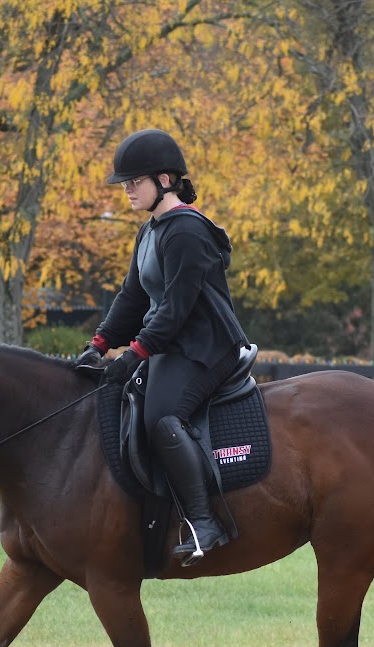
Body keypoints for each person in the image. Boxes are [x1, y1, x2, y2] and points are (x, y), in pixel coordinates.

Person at [78, 128, 247, 566]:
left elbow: (176, 308)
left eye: (135, 181)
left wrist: (135, 352)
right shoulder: (149, 232)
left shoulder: (186, 231)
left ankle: (204, 522)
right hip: (173, 345)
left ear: (166, 180)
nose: (128, 190)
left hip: (207, 347)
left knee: (160, 417)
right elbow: (133, 299)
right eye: (126, 183)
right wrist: (100, 344)